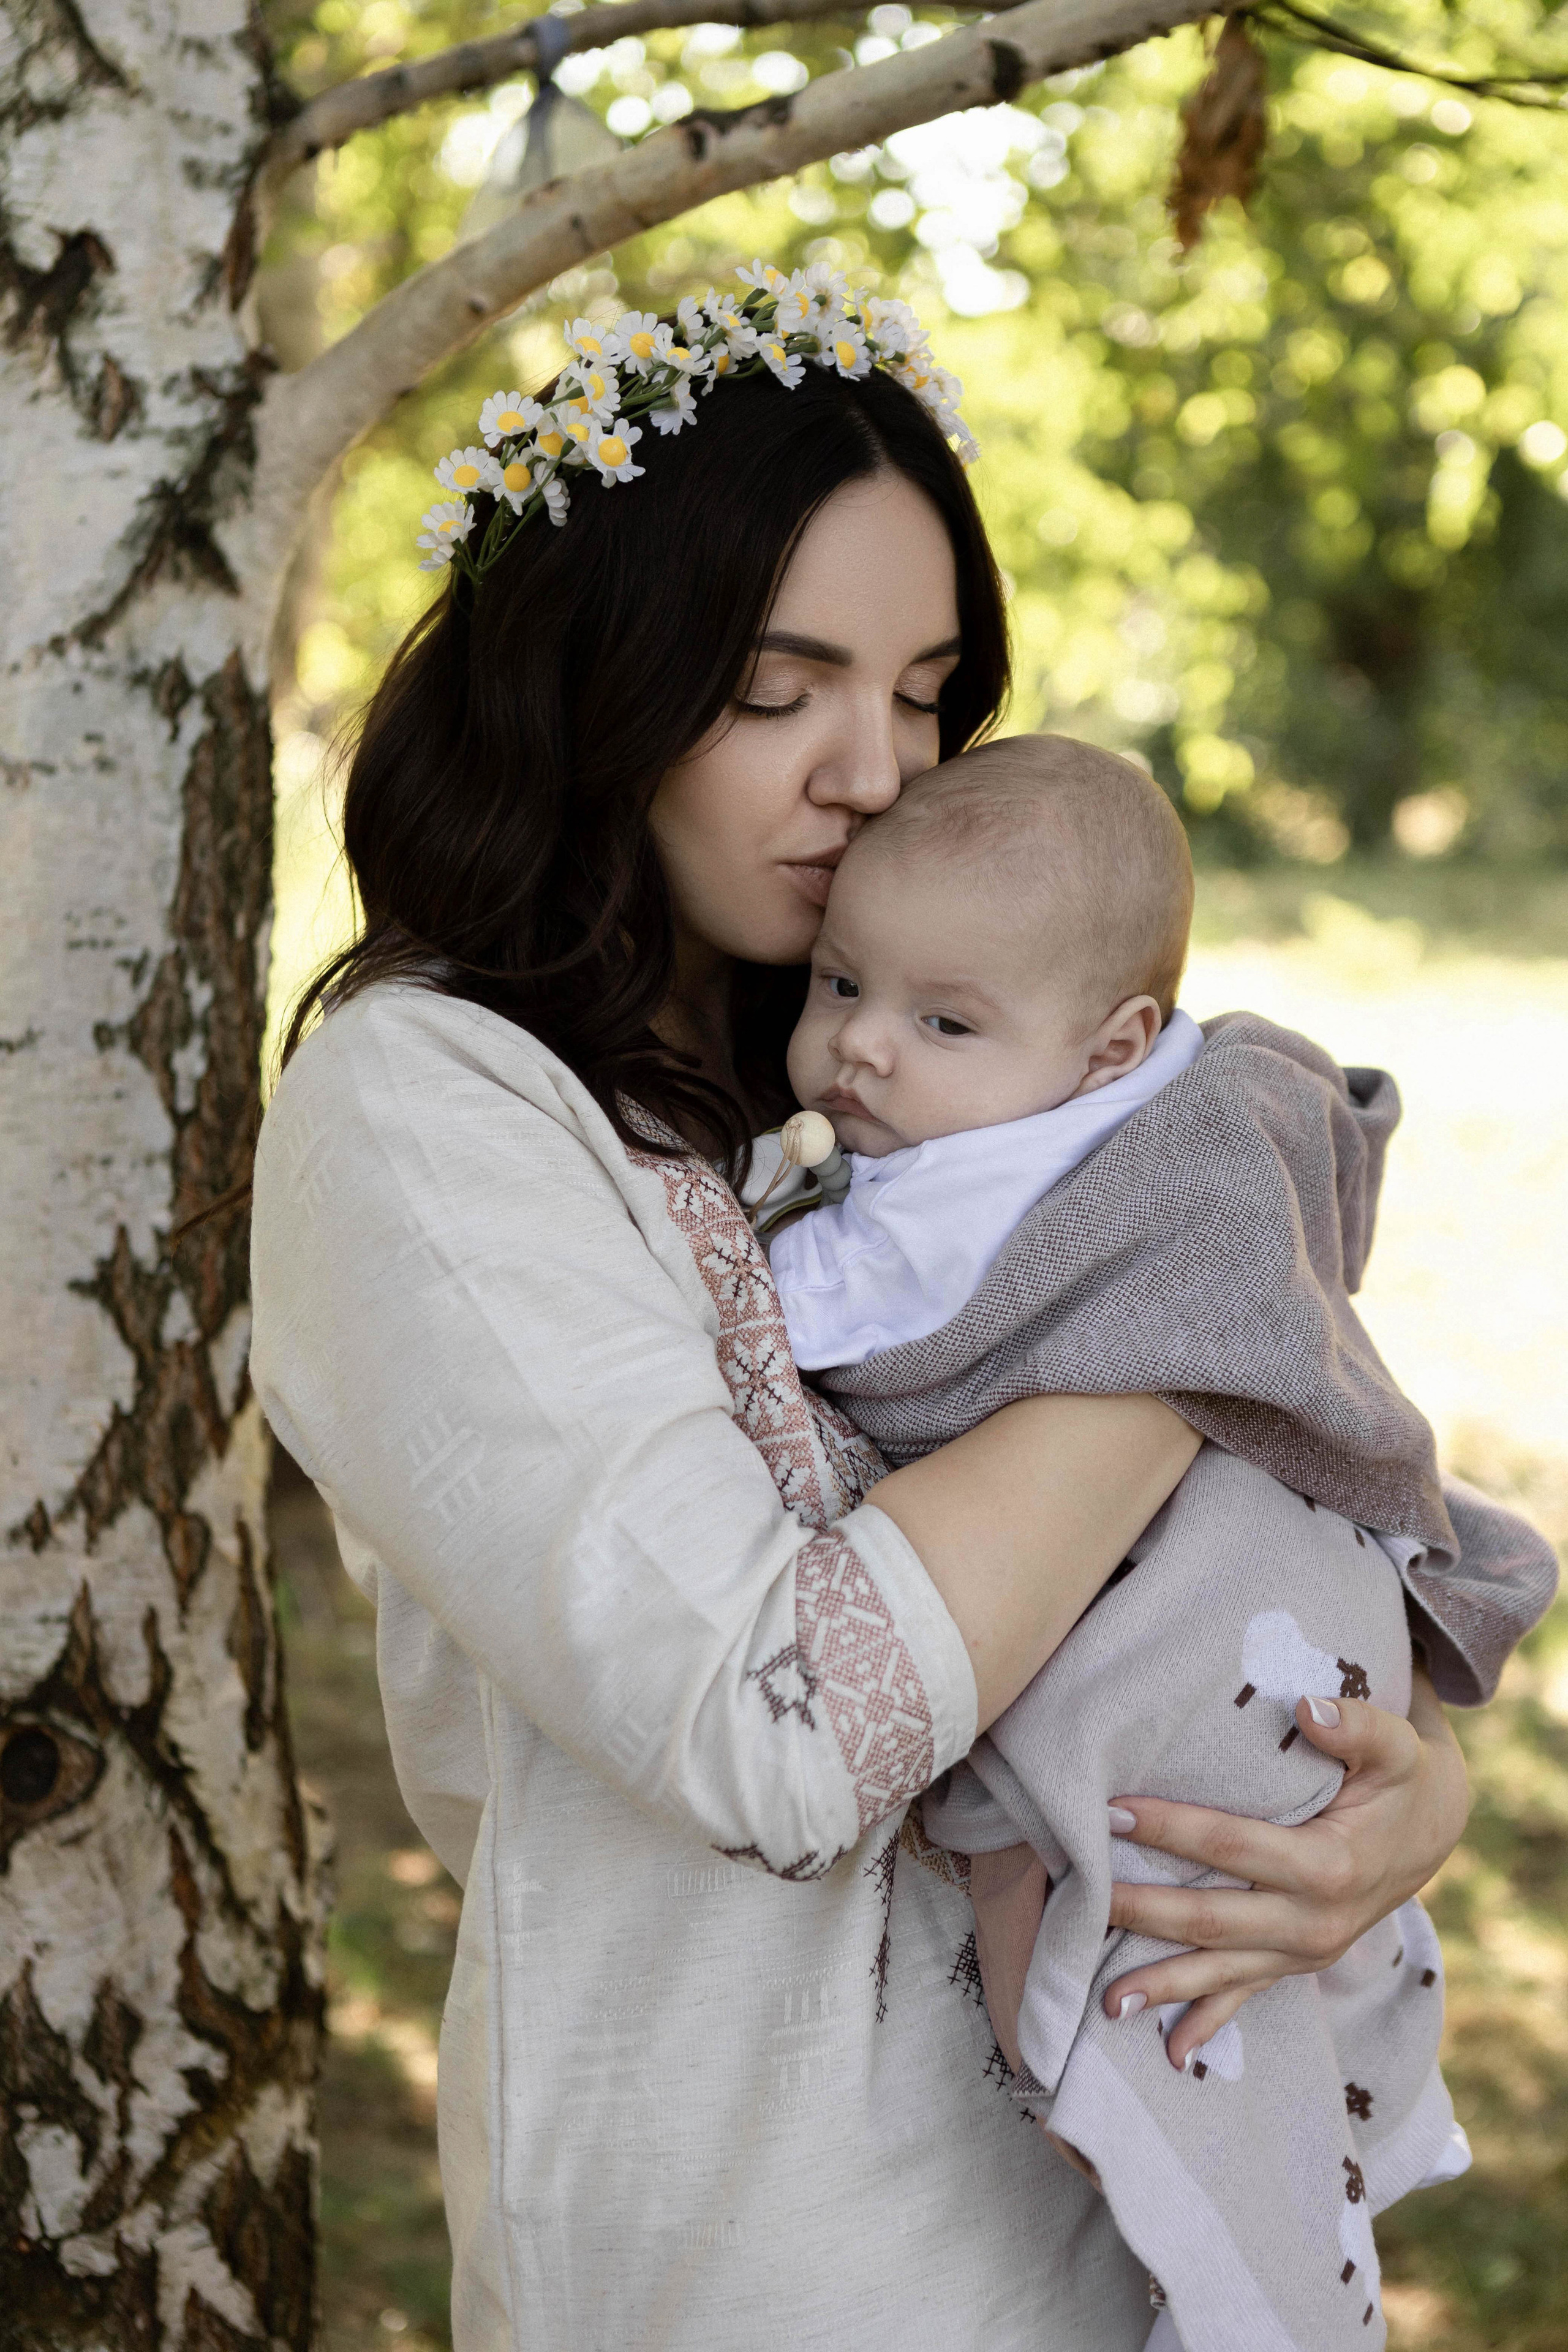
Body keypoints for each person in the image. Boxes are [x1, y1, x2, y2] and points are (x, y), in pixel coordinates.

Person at [250, 270, 1484, 2350]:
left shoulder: (900, 1094)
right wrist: (1198, 1293)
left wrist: (1393, 1800)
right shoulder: (433, 1106)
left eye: (923, 695)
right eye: (778, 687)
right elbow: (783, 1730)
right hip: (757, 2256)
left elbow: (1261, 1545)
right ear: (600, 676)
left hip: (1124, 2218)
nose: (873, 771)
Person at [764, 734, 1555, 2349]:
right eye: (842, 985)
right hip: (1221, 1601)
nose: (863, 1054)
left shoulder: (992, 1188)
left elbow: (816, 1315)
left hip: (1197, 1592)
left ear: (1113, 1043)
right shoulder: (1098, 1086)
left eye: (940, 1022)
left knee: (1074, 1878)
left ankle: (1121, 2109)